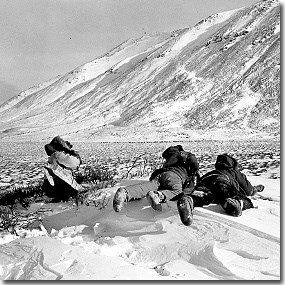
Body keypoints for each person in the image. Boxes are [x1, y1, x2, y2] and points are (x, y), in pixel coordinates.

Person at [176, 153, 265, 226]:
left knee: (203, 194)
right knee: (233, 194)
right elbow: (248, 190)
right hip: (222, 180)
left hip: (205, 180)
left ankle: (190, 200)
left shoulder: (211, 172)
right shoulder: (234, 172)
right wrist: (257, 188)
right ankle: (235, 203)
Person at [113, 145, 200, 212]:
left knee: (149, 186)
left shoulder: (168, 161)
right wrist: (195, 171)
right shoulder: (183, 154)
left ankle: (125, 192)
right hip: (176, 176)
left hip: (160, 174)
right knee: (176, 191)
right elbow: (193, 161)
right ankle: (157, 196)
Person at [43, 135, 83, 201]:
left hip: (51, 188)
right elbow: (75, 164)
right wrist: (73, 154)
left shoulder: (53, 157)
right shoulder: (57, 155)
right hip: (57, 189)